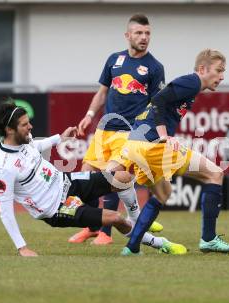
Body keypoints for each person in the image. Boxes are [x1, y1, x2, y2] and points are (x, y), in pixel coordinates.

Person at [0, 102, 186, 256]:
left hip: (67, 181)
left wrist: (61, 138)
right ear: (9, 130)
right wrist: (22, 248)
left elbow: (36, 146)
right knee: (115, 218)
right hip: (57, 208)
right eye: (25, 124)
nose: (30, 127)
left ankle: (137, 219)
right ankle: (160, 243)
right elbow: (5, 213)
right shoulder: (4, 168)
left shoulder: (24, 140)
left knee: (124, 177)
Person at [117, 49, 229, 255]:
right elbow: (158, 101)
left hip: (136, 145)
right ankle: (209, 239)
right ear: (202, 69)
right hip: (152, 144)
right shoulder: (192, 82)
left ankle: (132, 247)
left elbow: (154, 106)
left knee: (163, 193)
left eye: (223, 71)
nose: (222, 76)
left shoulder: (191, 87)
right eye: (218, 71)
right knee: (215, 173)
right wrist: (164, 135)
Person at [68, 13, 164, 245]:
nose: (144, 37)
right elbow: (102, 92)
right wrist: (89, 115)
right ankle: (92, 227)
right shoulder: (114, 60)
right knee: (87, 174)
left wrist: (152, 132)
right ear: (128, 35)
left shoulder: (154, 67)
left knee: (112, 177)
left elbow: (157, 105)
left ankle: (106, 233)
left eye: (147, 33)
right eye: (139, 33)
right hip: (104, 129)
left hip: (129, 132)